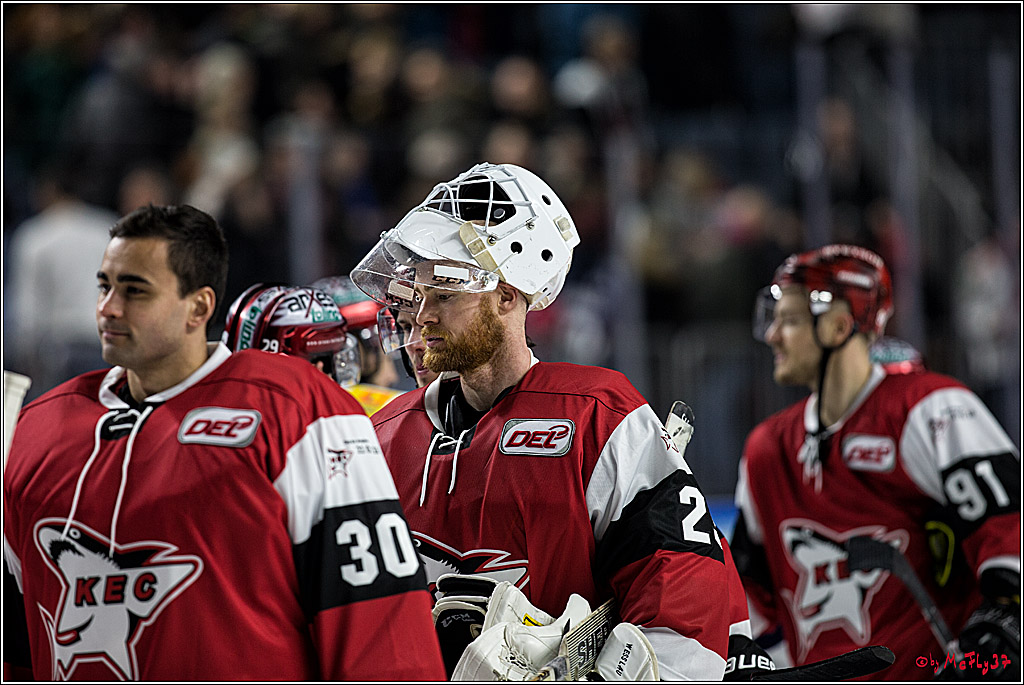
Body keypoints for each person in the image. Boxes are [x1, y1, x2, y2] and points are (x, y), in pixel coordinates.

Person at [2, 204, 445, 681]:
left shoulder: (299, 409)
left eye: (135, 291)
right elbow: (16, 626)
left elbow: (380, 624)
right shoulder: (37, 425)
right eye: (105, 286)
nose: (109, 308)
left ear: (200, 306)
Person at [350, 162, 731, 679]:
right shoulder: (383, 437)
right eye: (419, 296)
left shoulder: (600, 416)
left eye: (444, 295)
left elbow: (683, 596)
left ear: (508, 294)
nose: (422, 317)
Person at [732, 244, 1020, 680]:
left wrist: (997, 639)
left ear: (838, 326)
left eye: (788, 321)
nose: (772, 335)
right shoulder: (764, 450)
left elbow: (1010, 535)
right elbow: (749, 592)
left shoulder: (930, 409)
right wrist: (741, 648)